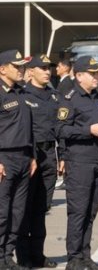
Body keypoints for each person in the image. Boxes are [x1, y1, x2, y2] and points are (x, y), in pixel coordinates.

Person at [56, 56, 98, 270]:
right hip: (79, 162)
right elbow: (60, 129)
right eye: (92, 73)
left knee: (91, 211)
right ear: (78, 76)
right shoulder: (69, 98)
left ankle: (85, 255)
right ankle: (74, 258)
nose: (97, 77)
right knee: (78, 211)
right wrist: (88, 131)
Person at [16, 55, 59, 269]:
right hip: (30, 155)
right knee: (24, 207)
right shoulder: (23, 95)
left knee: (42, 208)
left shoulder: (54, 96)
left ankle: (38, 254)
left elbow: (60, 127)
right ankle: (23, 257)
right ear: (30, 71)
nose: (46, 71)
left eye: (48, 68)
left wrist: (64, 157)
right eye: (41, 68)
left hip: (49, 154)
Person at [0, 50, 33, 270]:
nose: (21, 70)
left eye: (22, 67)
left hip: (24, 157)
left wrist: (33, 157)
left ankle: (7, 256)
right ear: (2, 69)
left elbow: (29, 129)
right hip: (4, 157)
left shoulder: (21, 92)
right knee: (2, 212)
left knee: (17, 211)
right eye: (16, 66)